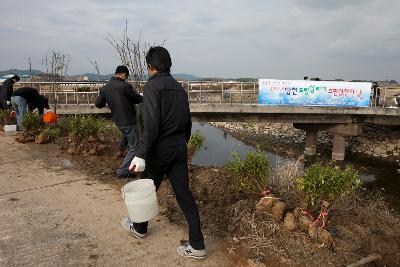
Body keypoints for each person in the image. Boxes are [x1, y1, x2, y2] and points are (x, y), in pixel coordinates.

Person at [122, 47, 206, 259]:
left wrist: (141, 153)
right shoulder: (180, 88)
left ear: (149, 66)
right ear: (169, 65)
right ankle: (197, 245)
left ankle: (139, 228)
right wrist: (182, 144)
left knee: (147, 189)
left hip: (159, 151)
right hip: (178, 148)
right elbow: (187, 123)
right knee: (184, 196)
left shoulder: (152, 87)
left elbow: (151, 126)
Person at [95, 65, 143, 178]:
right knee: (135, 147)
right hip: (129, 121)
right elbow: (137, 99)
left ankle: (121, 153)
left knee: (127, 139)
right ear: (123, 75)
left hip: (118, 121)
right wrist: (147, 97)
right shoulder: (124, 86)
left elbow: (98, 104)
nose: (126, 79)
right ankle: (123, 171)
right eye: (126, 77)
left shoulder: (106, 88)